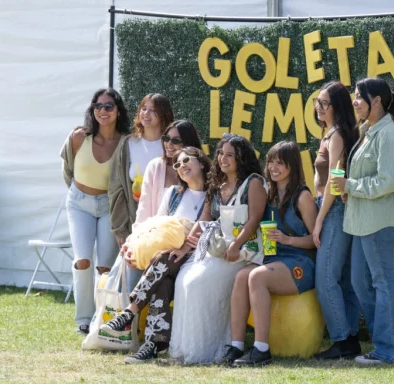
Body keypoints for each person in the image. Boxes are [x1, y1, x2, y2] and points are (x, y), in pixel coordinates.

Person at [99, 147, 210, 363]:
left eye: (187, 160)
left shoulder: (213, 195)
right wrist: (134, 244)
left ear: (203, 163)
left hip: (196, 257)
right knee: (163, 277)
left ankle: (130, 313)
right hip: (167, 260)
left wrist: (183, 248)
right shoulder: (173, 194)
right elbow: (155, 227)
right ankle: (151, 345)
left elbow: (205, 227)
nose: (182, 166)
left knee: (164, 260)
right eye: (177, 164)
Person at [331, 77, 394, 365]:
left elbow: (389, 181)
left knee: (381, 282)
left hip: (379, 221)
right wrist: (346, 191)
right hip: (363, 220)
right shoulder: (370, 130)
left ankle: (389, 350)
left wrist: (351, 187)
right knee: (361, 283)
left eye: (358, 97)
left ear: (376, 100)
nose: (354, 102)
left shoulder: (388, 134)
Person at [168, 134, 267, 365]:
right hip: (218, 252)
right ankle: (184, 350)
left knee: (197, 283)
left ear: (241, 157)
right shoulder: (217, 185)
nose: (223, 158)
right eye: (221, 153)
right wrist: (185, 247)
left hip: (244, 254)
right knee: (185, 278)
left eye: (230, 154)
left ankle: (208, 350)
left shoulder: (253, 182)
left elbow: (254, 219)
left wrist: (236, 244)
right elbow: (202, 222)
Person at [218, 141, 318, 367]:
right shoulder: (268, 194)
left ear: (292, 166)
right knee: (242, 275)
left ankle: (262, 349)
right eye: (271, 161)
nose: (273, 167)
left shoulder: (302, 196)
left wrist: (288, 240)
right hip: (272, 259)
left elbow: (315, 240)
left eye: (280, 163)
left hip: (300, 262)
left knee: (256, 276)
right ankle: (236, 346)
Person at [60, 88, 131, 334]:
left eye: (108, 106)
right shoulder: (79, 137)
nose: (102, 110)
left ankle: (103, 316)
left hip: (109, 206)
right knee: (82, 261)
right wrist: (79, 192)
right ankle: (83, 318)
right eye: (98, 106)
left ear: (118, 110)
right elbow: (67, 170)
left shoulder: (125, 142)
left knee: (105, 266)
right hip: (79, 203)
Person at [311, 81, 361, 360]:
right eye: (317, 102)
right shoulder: (331, 134)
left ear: (337, 106)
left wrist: (319, 219)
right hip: (333, 208)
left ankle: (343, 339)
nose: (319, 107)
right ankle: (350, 337)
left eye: (324, 103)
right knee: (342, 278)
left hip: (334, 210)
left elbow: (333, 179)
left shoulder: (338, 135)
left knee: (326, 278)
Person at [108, 93, 175, 290]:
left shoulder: (171, 144)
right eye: (144, 108)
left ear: (164, 115)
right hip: (132, 220)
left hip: (163, 225)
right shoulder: (129, 143)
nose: (147, 114)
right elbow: (117, 187)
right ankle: (121, 314)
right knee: (129, 266)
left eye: (153, 110)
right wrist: (120, 227)